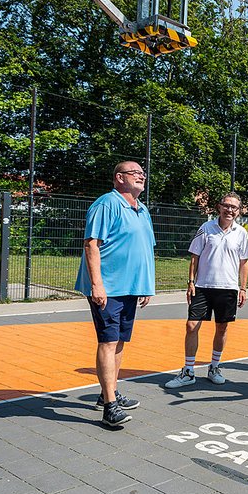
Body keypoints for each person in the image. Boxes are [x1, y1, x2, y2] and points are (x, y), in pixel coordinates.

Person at [75, 161, 155, 427]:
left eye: (143, 173)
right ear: (119, 178)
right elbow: (91, 245)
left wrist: (146, 285)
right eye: (136, 173)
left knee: (120, 341)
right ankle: (110, 407)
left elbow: (144, 249)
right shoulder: (106, 204)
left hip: (131, 288)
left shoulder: (142, 209)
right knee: (108, 342)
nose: (142, 176)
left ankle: (108, 392)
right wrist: (97, 284)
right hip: (109, 288)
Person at [164, 193, 248, 389]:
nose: (230, 210)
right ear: (219, 207)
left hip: (228, 288)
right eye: (226, 206)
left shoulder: (241, 233)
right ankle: (188, 371)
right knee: (191, 325)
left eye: (234, 207)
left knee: (222, 328)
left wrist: (243, 287)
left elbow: (244, 262)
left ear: (238, 211)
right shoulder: (206, 228)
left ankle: (214, 367)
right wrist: (191, 282)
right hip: (202, 286)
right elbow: (194, 256)